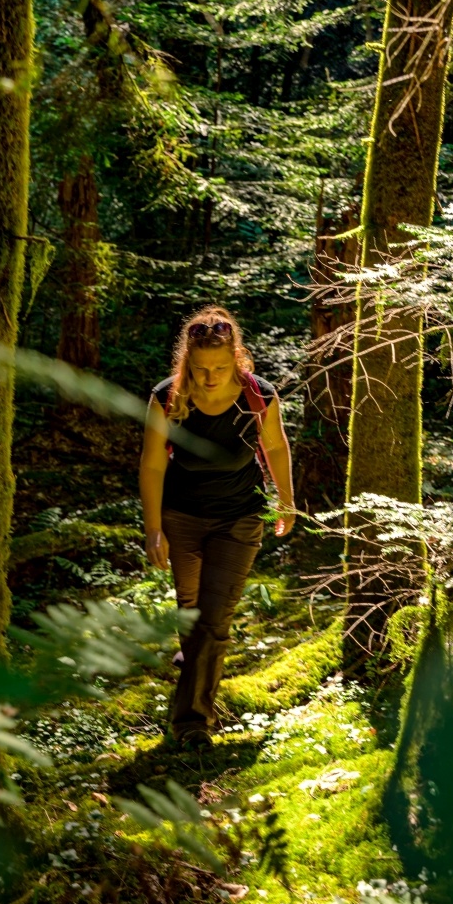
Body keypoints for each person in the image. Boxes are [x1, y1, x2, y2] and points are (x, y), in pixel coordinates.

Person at [139, 306, 295, 747]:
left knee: (214, 618)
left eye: (221, 368)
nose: (210, 378)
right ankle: (194, 663)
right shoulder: (167, 397)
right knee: (191, 610)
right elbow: (152, 466)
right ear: (187, 362)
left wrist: (288, 500)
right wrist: (154, 528)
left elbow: (277, 447)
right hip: (182, 515)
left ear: (237, 359)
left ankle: (191, 722)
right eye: (202, 369)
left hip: (240, 517)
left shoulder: (256, 395)